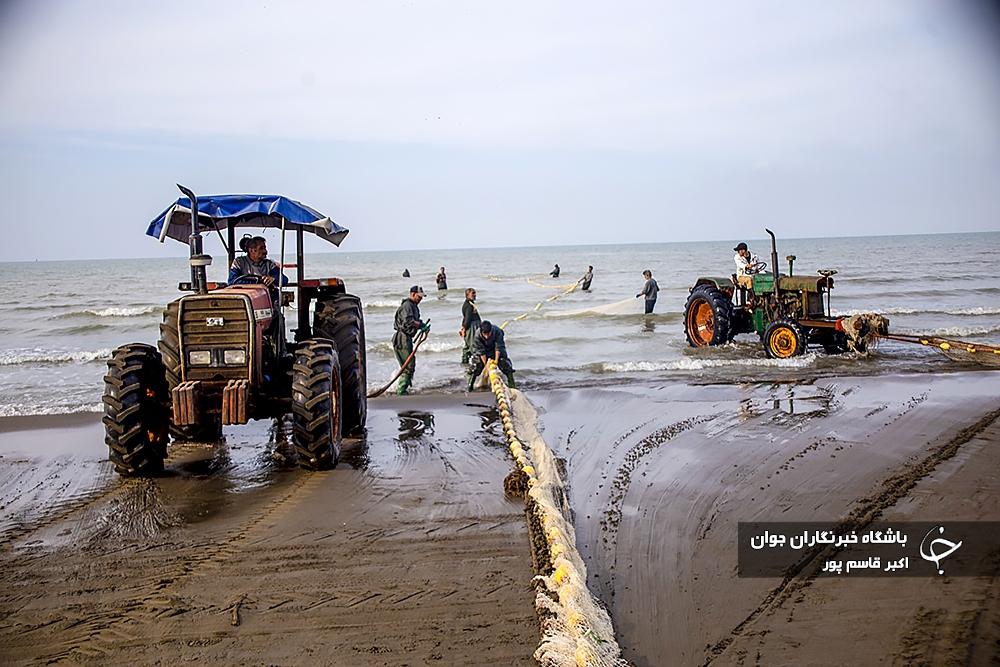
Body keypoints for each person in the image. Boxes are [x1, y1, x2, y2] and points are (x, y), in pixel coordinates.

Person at [392, 286, 427, 395]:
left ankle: (404, 387)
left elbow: (414, 320)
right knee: (408, 365)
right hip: (402, 338)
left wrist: (422, 324)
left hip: (407, 338)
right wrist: (420, 325)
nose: (420, 299)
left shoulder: (413, 306)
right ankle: (401, 390)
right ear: (412, 294)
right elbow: (409, 321)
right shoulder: (407, 306)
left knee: (409, 365)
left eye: (421, 297)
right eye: (419, 296)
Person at [468, 320, 515, 390]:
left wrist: (496, 361)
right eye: (484, 334)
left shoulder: (497, 332)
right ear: (481, 332)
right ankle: (470, 386)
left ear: (491, 331)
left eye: (488, 334)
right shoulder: (477, 335)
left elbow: (498, 348)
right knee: (475, 366)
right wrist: (486, 365)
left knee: (505, 364)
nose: (486, 336)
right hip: (484, 351)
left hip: (495, 350)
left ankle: (512, 385)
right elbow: (481, 352)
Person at [459, 287, 481, 364]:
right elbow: (468, 318)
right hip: (472, 327)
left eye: (475, 293)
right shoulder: (468, 305)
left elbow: (465, 318)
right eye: (473, 293)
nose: (475, 295)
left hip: (472, 326)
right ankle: (476, 364)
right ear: (467, 295)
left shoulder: (470, 303)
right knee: (473, 346)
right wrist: (464, 328)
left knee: (468, 346)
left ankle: (464, 363)